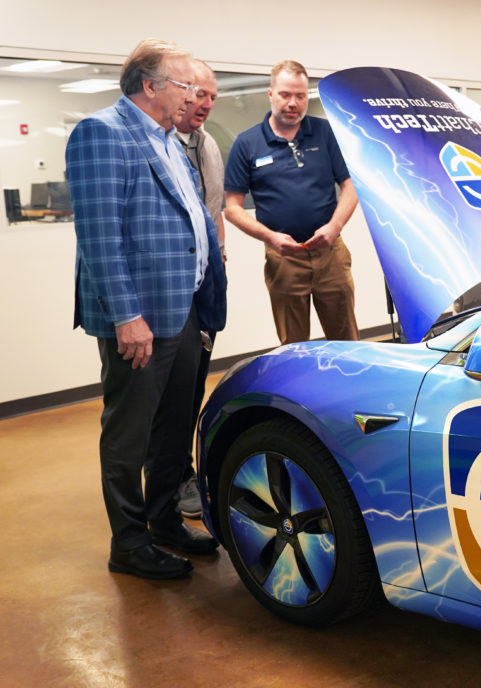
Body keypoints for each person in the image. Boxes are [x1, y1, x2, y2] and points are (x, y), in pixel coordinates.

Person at [66, 39, 227, 579]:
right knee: (130, 432)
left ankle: (163, 522)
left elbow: (193, 222)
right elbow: (100, 237)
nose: (192, 97)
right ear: (151, 86)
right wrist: (125, 316)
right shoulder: (102, 134)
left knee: (174, 428)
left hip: (181, 311)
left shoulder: (169, 140)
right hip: (137, 317)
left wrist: (203, 307)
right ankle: (129, 543)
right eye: (185, 86)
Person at [224, 59, 359, 344]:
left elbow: (351, 185)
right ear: (271, 94)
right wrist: (270, 237)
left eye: (300, 95)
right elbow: (232, 208)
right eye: (285, 94)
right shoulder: (247, 144)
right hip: (284, 257)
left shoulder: (325, 133)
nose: (293, 103)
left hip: (330, 252)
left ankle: (350, 388)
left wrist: (335, 226)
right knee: (294, 345)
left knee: (346, 339)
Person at [173, 59, 225, 519]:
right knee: (166, 396)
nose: (204, 103)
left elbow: (214, 211)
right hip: (168, 291)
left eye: (211, 96)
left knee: (194, 388)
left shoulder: (207, 145)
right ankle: (170, 480)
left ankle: (185, 474)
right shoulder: (159, 144)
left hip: (204, 285)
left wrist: (220, 261)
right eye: (197, 93)